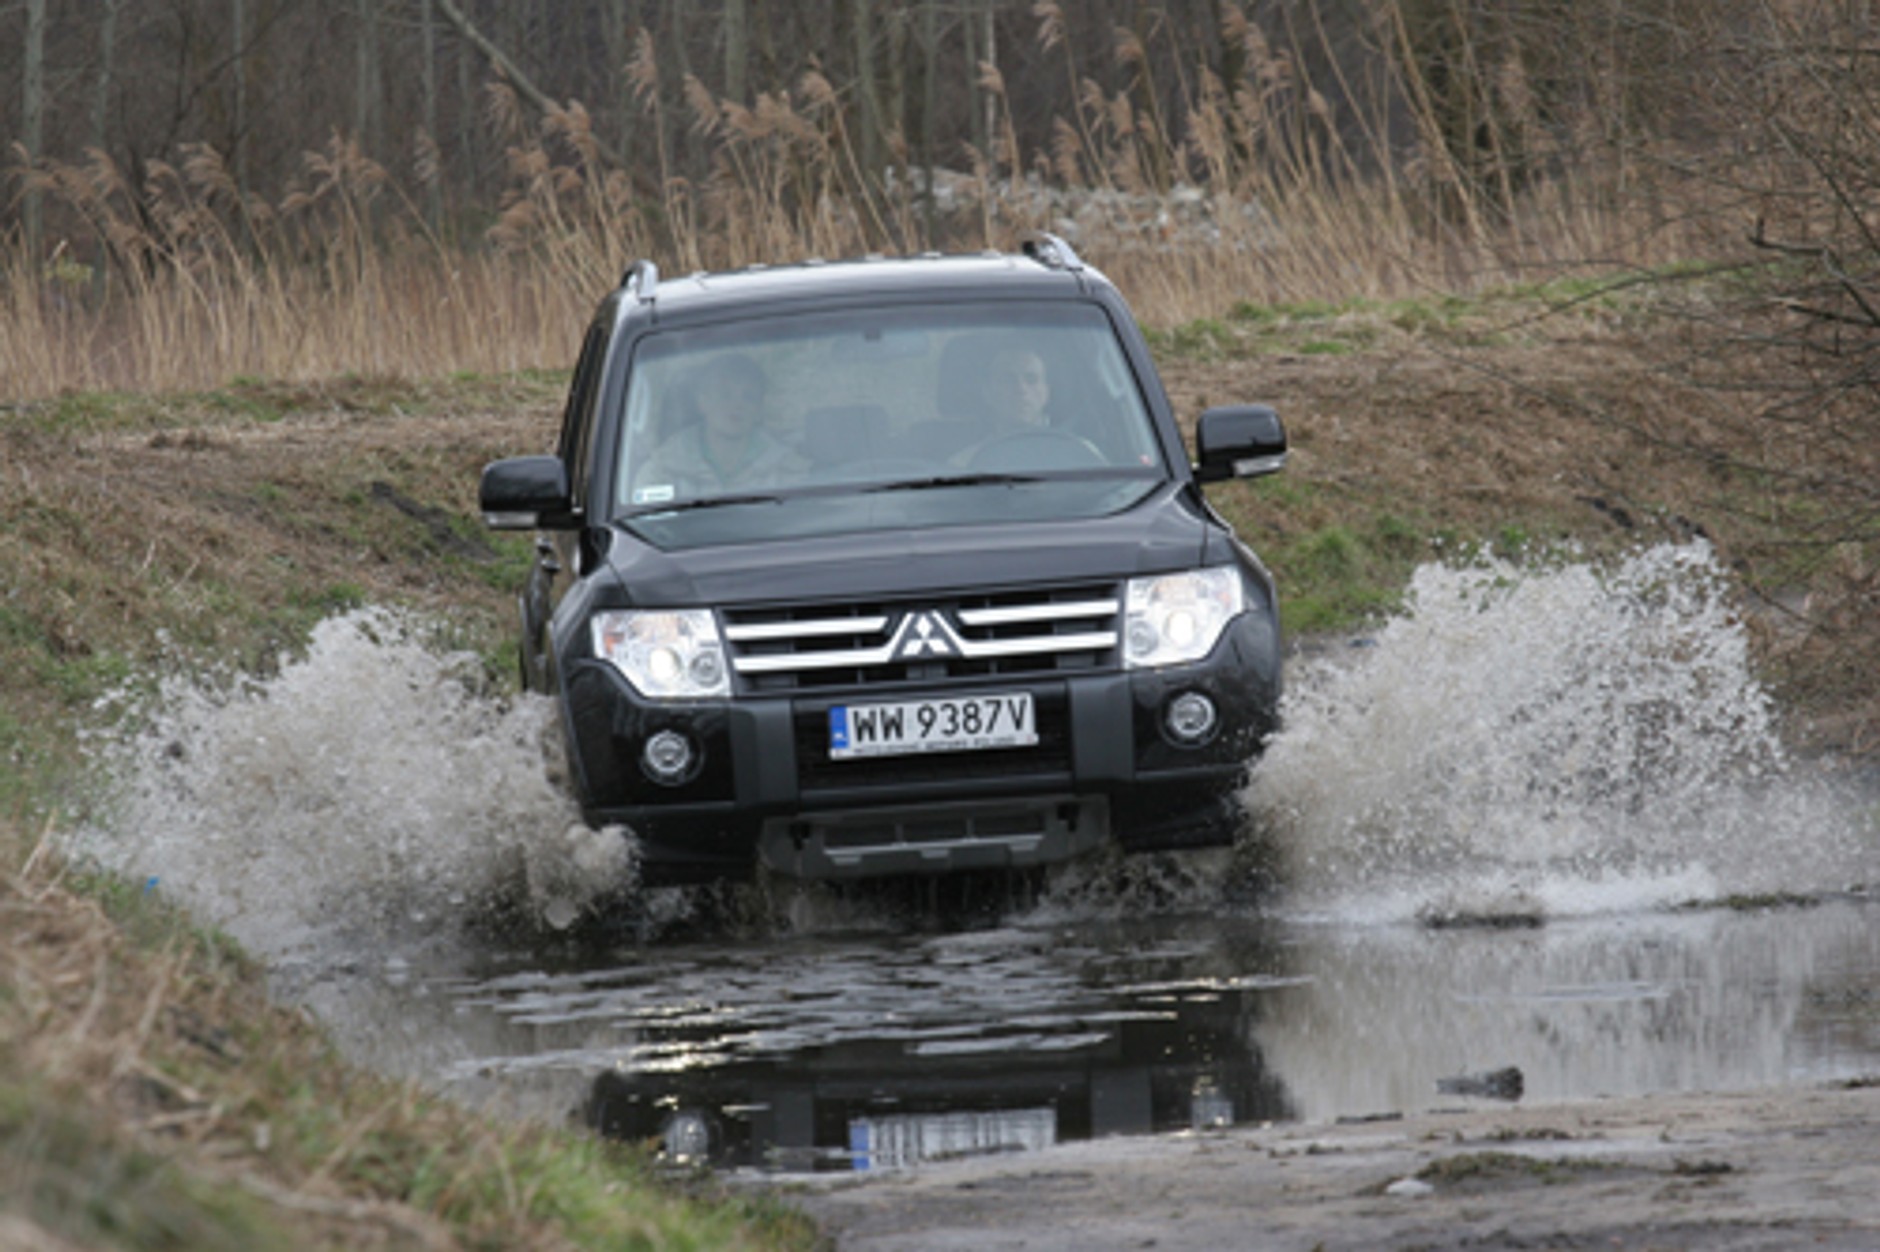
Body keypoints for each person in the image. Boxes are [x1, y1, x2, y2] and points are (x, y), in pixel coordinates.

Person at [633, 354, 804, 498]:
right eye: (725, 394)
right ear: (702, 402)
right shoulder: (661, 470)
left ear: (759, 409)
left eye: (749, 397)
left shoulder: (786, 469)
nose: (737, 405)